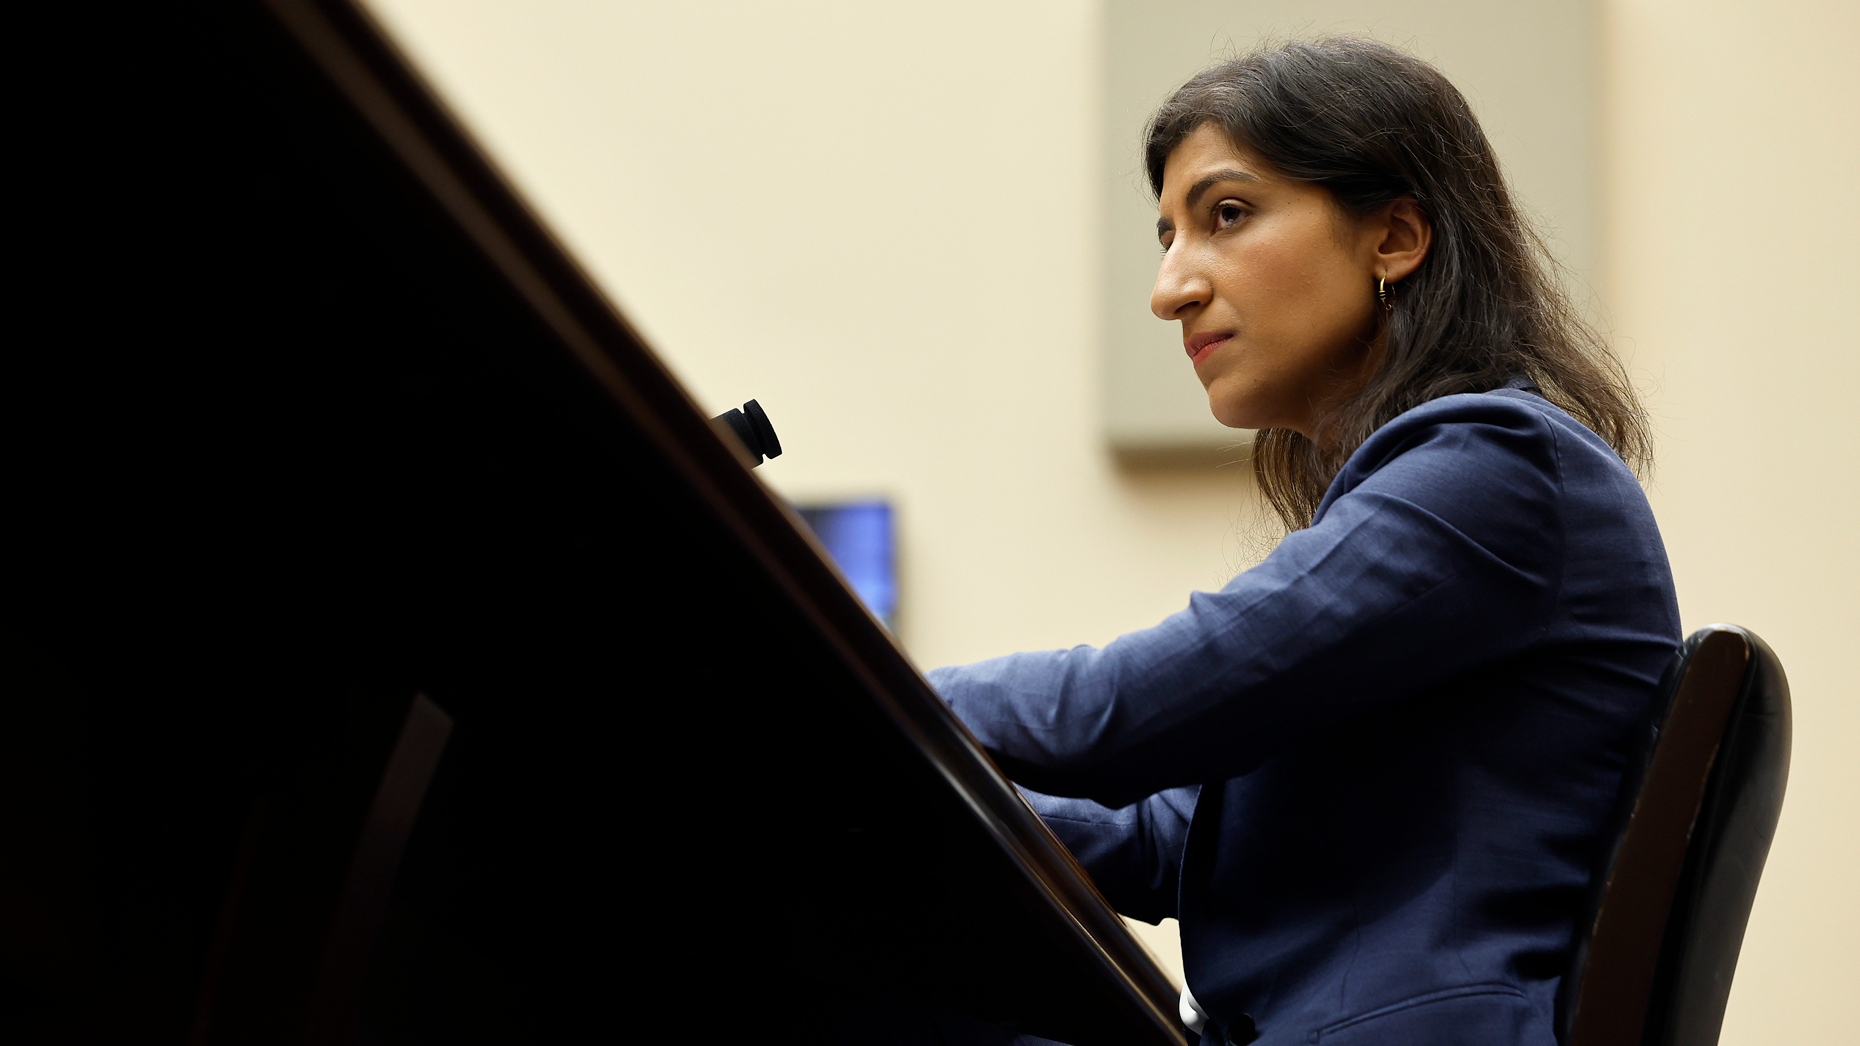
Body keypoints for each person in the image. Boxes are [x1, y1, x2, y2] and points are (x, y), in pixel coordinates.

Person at [926, 38, 1679, 1046]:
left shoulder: (1498, 469)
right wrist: (895, 793)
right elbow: (1175, 835)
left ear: (1396, 237)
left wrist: (825, 690)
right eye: (1167, 235)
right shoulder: (1458, 482)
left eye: (1226, 215)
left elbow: (1120, 711)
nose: (1169, 288)